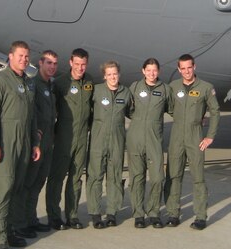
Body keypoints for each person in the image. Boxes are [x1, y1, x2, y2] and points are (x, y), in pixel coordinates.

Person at [0, 41, 41, 249]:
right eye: (20, 56)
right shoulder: (0, 81)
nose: (24, 60)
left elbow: (32, 116)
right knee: (2, 190)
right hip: (5, 143)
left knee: (17, 188)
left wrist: (35, 142)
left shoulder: (28, 83)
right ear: (10, 56)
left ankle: (9, 231)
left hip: (24, 143)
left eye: (27, 56)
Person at [164, 54, 220, 230]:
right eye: (183, 68)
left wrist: (210, 135)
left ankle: (201, 216)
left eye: (189, 67)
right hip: (176, 135)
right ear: (179, 69)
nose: (187, 71)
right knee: (173, 175)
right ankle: (173, 214)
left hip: (195, 135)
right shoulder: (173, 87)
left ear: (194, 67)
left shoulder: (205, 88)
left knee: (198, 178)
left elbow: (215, 111)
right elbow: (169, 107)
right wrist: (182, 118)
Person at [46, 48, 94, 229]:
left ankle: (72, 215)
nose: (80, 68)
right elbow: (51, 110)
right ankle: (53, 215)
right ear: (70, 63)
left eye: (83, 64)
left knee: (76, 178)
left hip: (82, 137)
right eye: (77, 64)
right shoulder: (60, 84)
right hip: (64, 137)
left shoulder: (89, 81)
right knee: (57, 177)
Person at [87, 61, 132, 228]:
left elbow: (135, 112)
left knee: (114, 176)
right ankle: (95, 213)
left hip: (117, 140)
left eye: (115, 74)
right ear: (104, 76)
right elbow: (87, 111)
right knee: (95, 176)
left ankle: (112, 212)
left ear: (119, 74)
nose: (113, 77)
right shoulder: (97, 91)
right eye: (109, 74)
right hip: (98, 140)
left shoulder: (125, 93)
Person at [127, 58, 171, 228]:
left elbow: (174, 108)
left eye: (155, 70)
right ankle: (138, 214)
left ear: (158, 71)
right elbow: (128, 109)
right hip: (135, 138)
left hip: (154, 139)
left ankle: (154, 212)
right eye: (149, 70)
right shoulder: (135, 87)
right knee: (137, 178)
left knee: (158, 178)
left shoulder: (165, 89)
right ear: (143, 71)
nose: (152, 74)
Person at [17, 50, 58, 234]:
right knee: (28, 182)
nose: (52, 67)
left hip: (48, 141)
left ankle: (31, 218)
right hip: (38, 141)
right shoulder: (33, 85)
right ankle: (20, 222)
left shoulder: (50, 85)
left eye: (54, 64)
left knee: (39, 181)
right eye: (48, 63)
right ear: (40, 63)